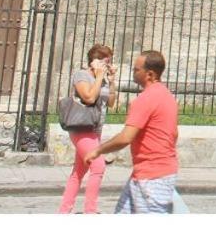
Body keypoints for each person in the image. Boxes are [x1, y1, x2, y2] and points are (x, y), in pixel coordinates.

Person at [85, 50, 179, 213]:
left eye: (136, 70)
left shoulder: (145, 99)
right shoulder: (167, 96)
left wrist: (97, 151)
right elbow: (174, 133)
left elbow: (125, 137)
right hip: (151, 173)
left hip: (151, 179)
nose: (133, 72)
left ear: (149, 74)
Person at [58, 43, 119, 214]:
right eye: (104, 61)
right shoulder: (81, 75)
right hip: (81, 129)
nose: (107, 65)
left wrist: (112, 82)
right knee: (98, 166)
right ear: (94, 61)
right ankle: (90, 211)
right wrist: (99, 77)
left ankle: (64, 210)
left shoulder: (104, 79)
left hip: (95, 130)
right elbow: (89, 97)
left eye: (108, 62)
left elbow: (112, 103)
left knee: (79, 171)